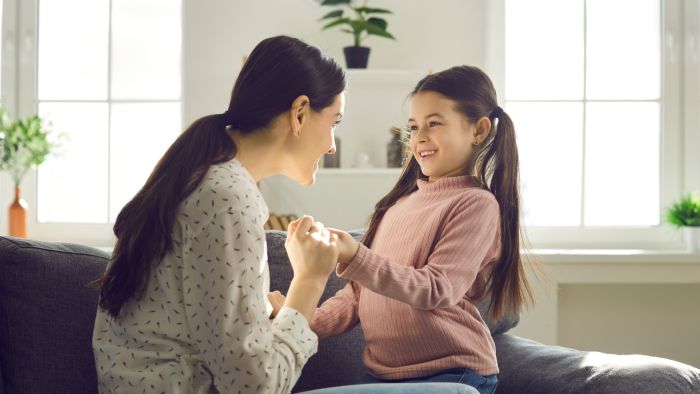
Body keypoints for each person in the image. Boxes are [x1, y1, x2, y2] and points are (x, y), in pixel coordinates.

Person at [91, 35, 475, 394]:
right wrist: (309, 279)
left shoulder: (208, 181)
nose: (330, 146)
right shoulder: (226, 198)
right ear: (300, 113)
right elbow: (254, 386)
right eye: (334, 123)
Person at [298, 65, 534, 394]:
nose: (419, 136)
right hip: (383, 377)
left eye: (434, 123)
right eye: (413, 127)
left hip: (453, 373)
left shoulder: (476, 205)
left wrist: (357, 256)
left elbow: (438, 288)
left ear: (478, 130)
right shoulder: (396, 207)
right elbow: (356, 296)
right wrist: (299, 318)